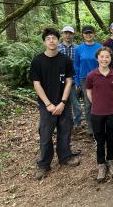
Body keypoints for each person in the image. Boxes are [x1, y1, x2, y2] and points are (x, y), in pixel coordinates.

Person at [29, 28, 80, 180]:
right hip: (47, 105)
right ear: (44, 42)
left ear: (58, 41)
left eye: (54, 38)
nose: (51, 40)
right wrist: (48, 104)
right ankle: (44, 164)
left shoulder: (64, 60)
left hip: (63, 104)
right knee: (45, 135)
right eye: (48, 38)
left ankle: (65, 157)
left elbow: (69, 81)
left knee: (65, 131)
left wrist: (63, 102)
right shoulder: (37, 61)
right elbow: (36, 83)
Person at [86, 47, 113, 182]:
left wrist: (110, 102)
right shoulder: (91, 75)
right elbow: (88, 91)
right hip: (96, 113)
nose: (104, 59)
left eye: (107, 56)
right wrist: (96, 103)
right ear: (97, 58)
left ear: (110, 58)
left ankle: (110, 161)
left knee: (111, 138)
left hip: (112, 111)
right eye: (102, 56)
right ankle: (101, 164)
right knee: (100, 140)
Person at [74, 25, 102, 135]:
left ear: (94, 34)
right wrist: (76, 81)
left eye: (90, 33)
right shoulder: (79, 49)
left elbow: (104, 61)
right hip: (84, 79)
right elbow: (76, 66)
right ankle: (90, 128)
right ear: (82, 35)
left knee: (100, 101)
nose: (88, 35)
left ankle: (99, 125)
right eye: (86, 33)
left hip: (98, 77)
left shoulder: (99, 47)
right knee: (88, 103)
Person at [57, 25, 81, 129]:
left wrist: (78, 80)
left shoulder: (77, 48)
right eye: (65, 33)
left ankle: (77, 124)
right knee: (59, 102)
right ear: (62, 34)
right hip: (59, 80)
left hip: (73, 80)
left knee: (75, 103)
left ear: (73, 35)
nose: (67, 35)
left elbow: (79, 65)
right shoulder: (57, 48)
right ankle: (61, 123)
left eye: (70, 33)